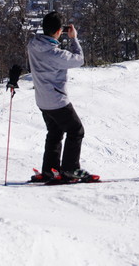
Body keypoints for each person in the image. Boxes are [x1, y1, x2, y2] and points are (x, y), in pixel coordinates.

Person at [27, 11, 95, 183]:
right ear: (59, 31)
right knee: (76, 130)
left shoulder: (33, 45)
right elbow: (79, 60)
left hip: (42, 99)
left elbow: (43, 40)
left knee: (55, 132)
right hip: (57, 101)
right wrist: (73, 39)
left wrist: (56, 34)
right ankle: (70, 169)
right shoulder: (55, 55)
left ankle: (50, 170)